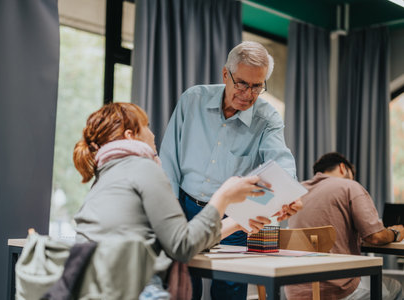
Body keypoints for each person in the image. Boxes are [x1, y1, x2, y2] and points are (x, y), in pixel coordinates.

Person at [72, 102, 289, 299]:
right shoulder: (143, 168)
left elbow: (172, 239)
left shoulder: (104, 178)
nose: (153, 133)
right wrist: (223, 197)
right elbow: (182, 246)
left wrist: (235, 223)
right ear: (131, 135)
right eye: (146, 126)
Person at [159, 41, 301, 299]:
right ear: (226, 74)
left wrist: (288, 192)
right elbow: (168, 161)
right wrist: (168, 216)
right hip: (185, 210)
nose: (248, 94)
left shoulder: (267, 118)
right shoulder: (193, 100)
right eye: (242, 83)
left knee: (228, 295)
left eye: (257, 86)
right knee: (181, 290)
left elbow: (280, 159)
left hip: (231, 219)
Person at [285, 152, 404, 300]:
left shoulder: (297, 194)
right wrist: (396, 232)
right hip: (338, 289)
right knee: (396, 287)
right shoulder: (349, 186)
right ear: (343, 168)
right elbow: (376, 237)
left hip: (293, 289)